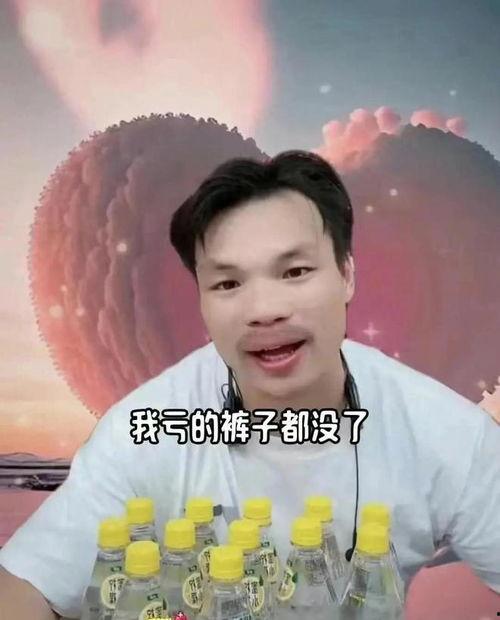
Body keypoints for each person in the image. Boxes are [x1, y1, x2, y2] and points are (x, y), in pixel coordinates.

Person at [1, 150, 499, 617]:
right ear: (201, 300)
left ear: (346, 275)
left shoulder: (446, 433)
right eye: (228, 284)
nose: (264, 311)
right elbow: (27, 587)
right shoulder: (145, 430)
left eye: (295, 271)